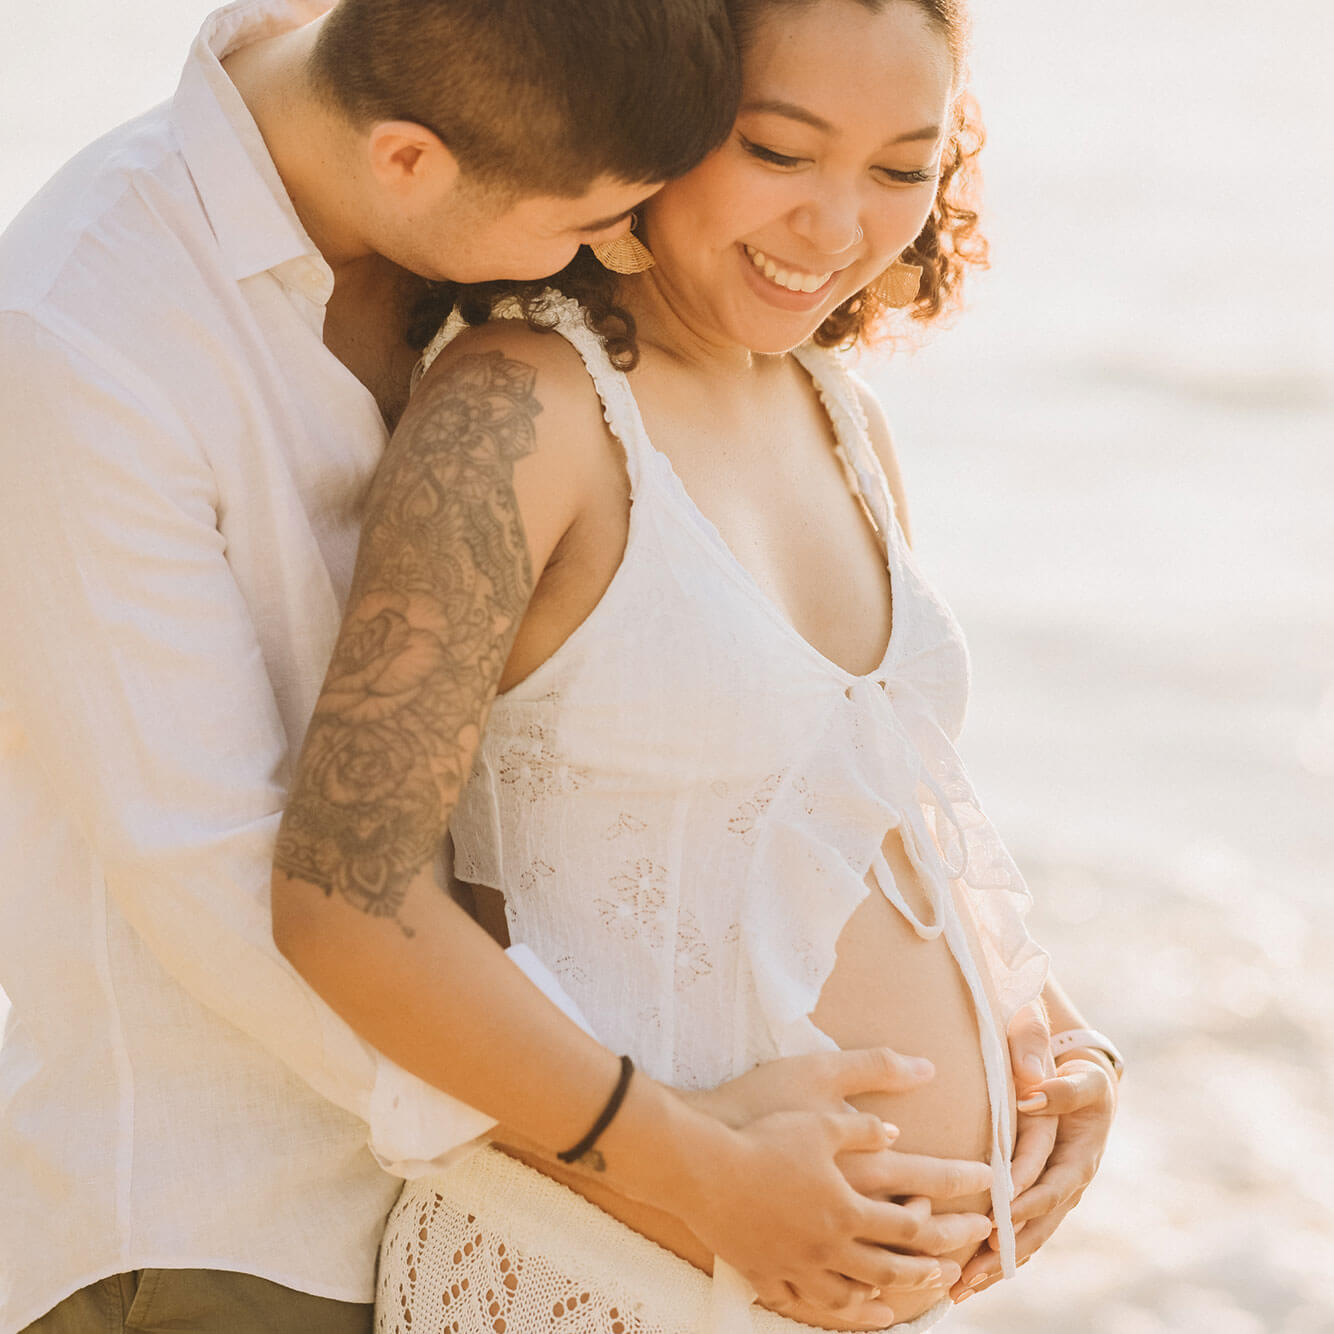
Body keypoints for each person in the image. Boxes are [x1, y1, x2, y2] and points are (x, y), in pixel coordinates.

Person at [0, 1, 921, 1330]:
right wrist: (675, 1158)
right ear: (409, 163)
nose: (612, 248)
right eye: (584, 218)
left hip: (530, 1224)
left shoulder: (485, 118)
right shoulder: (78, 339)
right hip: (234, 1233)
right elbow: (212, 870)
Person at [271, 0, 1123, 1330]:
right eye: (780, 151)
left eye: (900, 168)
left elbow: (872, 821)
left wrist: (1052, 1044)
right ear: (661, 131)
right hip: (590, 1277)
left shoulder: (842, 419)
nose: (836, 225)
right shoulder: (516, 411)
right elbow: (341, 901)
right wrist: (708, 1172)